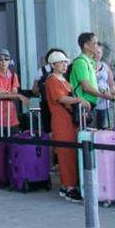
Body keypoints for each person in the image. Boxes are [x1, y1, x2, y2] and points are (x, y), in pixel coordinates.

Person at [41, 50, 82, 200]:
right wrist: (79, 100)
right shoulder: (52, 80)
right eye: (61, 62)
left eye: (65, 62)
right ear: (53, 65)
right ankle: (69, 186)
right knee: (65, 153)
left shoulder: (63, 79)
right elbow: (61, 98)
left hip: (69, 120)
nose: (65, 65)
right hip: (61, 120)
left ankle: (68, 185)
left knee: (71, 153)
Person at [69, 34, 109, 129]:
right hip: (83, 106)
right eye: (95, 43)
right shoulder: (81, 62)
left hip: (91, 105)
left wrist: (102, 91)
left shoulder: (90, 62)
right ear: (86, 45)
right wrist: (105, 95)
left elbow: (92, 85)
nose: (97, 46)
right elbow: (86, 87)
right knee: (87, 135)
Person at [93, 43, 115, 129]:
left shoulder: (105, 66)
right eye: (94, 52)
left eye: (98, 52)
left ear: (102, 53)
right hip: (91, 104)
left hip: (105, 104)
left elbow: (112, 84)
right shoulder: (86, 65)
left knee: (104, 129)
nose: (96, 54)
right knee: (92, 130)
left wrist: (112, 91)